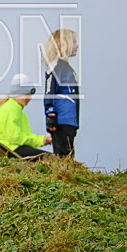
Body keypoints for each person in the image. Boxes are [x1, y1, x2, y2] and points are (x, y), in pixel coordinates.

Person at [0, 74, 52, 161]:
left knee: (50, 157)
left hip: (14, 147)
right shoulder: (10, 110)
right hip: (11, 149)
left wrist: (43, 140)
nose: (29, 98)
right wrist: (42, 140)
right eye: (27, 94)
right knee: (50, 158)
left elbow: (24, 137)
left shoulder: (18, 111)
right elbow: (15, 138)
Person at [42, 29, 79, 157]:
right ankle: (60, 175)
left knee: (68, 153)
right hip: (61, 119)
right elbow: (49, 90)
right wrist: (50, 113)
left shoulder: (67, 68)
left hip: (70, 119)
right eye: (74, 42)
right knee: (62, 154)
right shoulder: (55, 66)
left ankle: (66, 174)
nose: (77, 46)